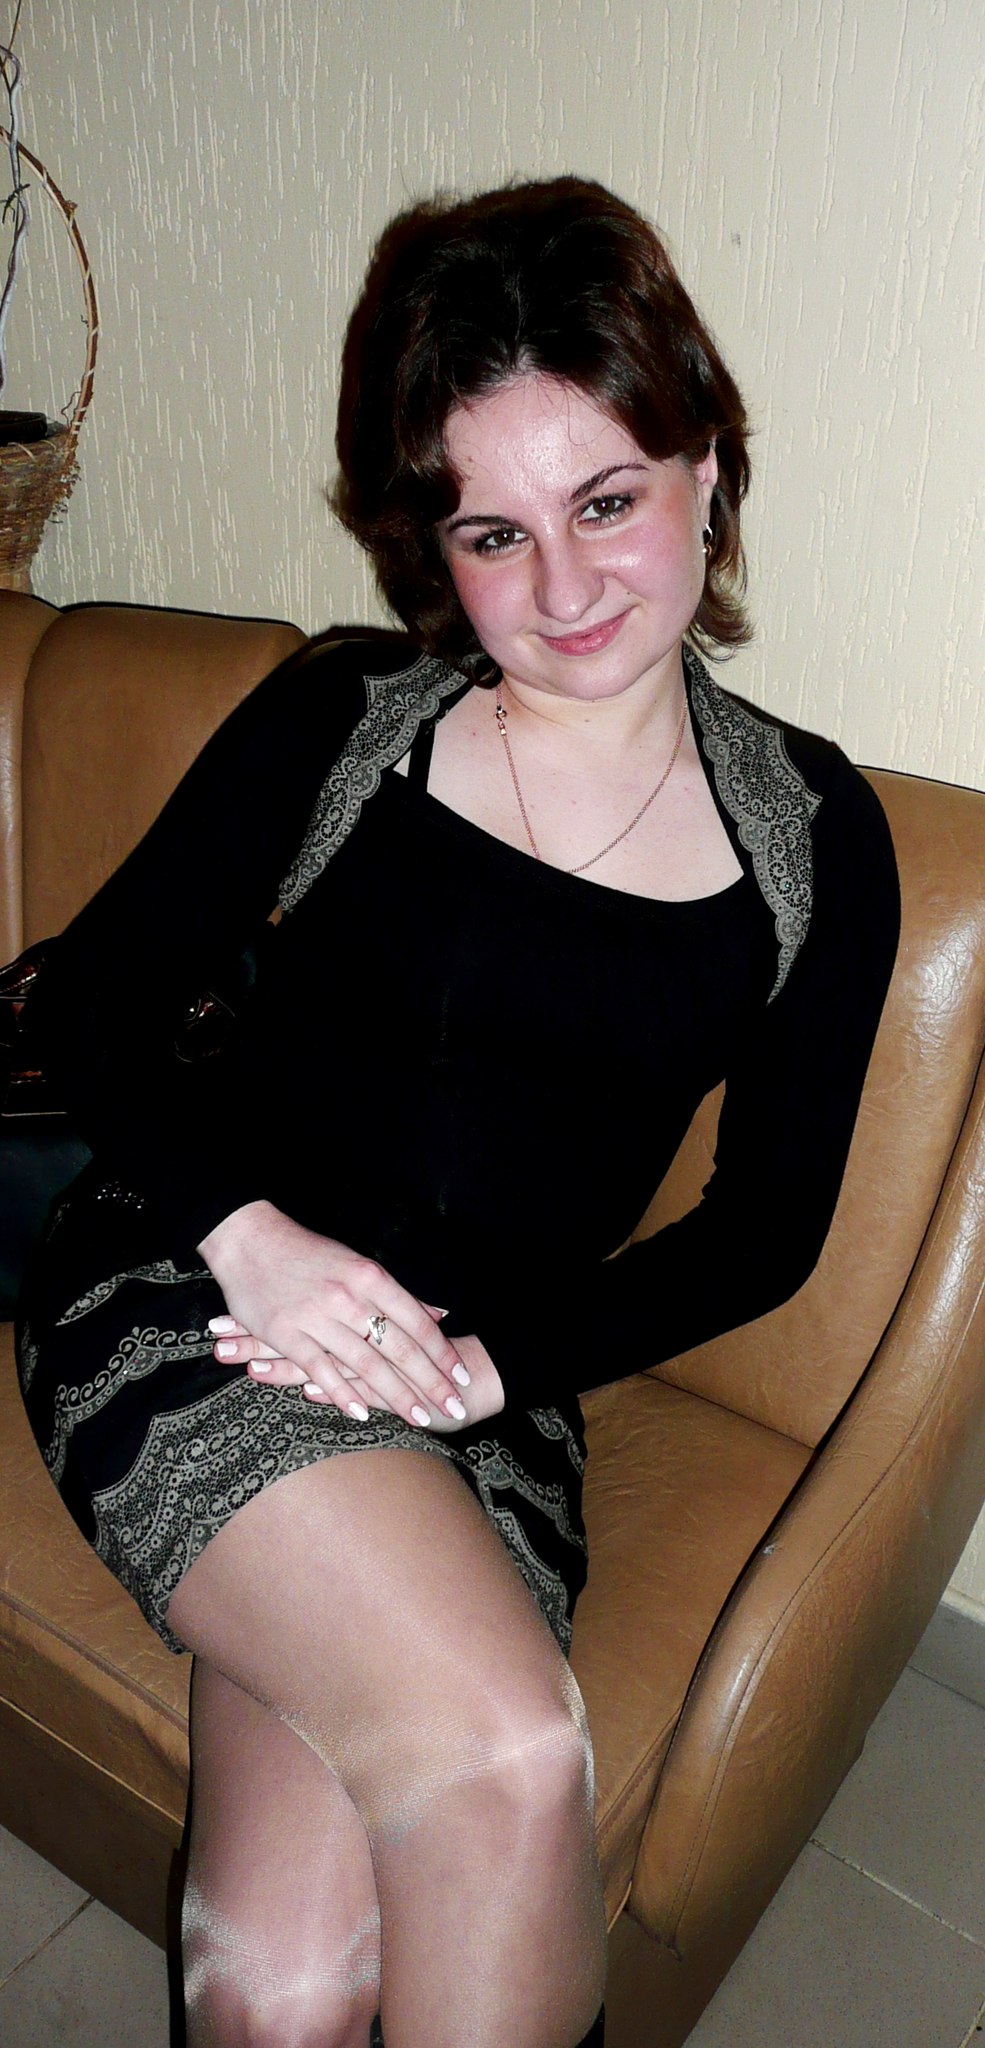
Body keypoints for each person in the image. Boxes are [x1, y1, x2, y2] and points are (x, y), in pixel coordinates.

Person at [16, 175, 899, 2048]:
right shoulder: (352, 721)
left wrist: (497, 1369)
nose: (562, 592)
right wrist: (254, 1243)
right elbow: (92, 1001)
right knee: (506, 1755)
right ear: (434, 543)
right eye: (496, 533)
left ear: (706, 472)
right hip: (195, 1291)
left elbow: (764, 1230)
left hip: (472, 1396)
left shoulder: (812, 836)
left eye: (607, 502)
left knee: (278, 1985)